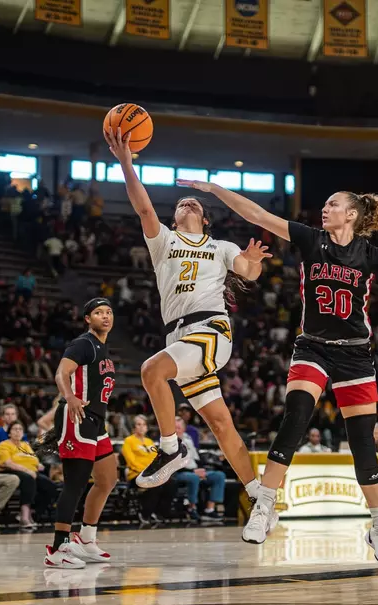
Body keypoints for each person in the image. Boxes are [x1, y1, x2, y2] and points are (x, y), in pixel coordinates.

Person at [174, 175, 378, 565]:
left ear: (351, 213)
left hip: (355, 355)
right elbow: (258, 213)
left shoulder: (369, 254)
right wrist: (214, 191)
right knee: (296, 416)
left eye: (332, 204)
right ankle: (264, 506)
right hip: (312, 346)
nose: (324, 209)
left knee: (363, 442)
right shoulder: (313, 239)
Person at [104, 128, 264, 512]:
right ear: (174, 220)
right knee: (221, 426)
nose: (188, 204)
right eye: (181, 204)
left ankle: (170, 448)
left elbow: (248, 271)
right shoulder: (164, 243)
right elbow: (144, 208)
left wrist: (254, 264)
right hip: (180, 339)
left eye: (194, 203)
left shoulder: (221, 246)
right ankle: (260, 494)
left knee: (150, 371)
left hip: (212, 329)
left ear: (206, 220)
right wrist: (127, 164)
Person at [43, 298, 119, 567]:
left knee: (108, 479)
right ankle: (57, 548)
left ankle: (86, 540)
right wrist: (70, 398)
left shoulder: (102, 347)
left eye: (109, 312)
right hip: (78, 415)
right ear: (88, 318)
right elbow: (61, 373)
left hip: (96, 421)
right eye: (99, 313)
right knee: (75, 484)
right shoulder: (83, 343)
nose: (105, 316)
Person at [0, 422, 57, 530]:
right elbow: (7, 463)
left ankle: (32, 512)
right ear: (9, 433)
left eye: (20, 429)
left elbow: (34, 459)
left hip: (30, 472)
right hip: (10, 471)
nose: (18, 431)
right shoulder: (4, 445)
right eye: (15, 429)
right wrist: (27, 470)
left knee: (50, 486)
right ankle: (24, 516)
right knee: (28, 479)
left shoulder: (25, 445)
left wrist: (38, 465)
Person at [121, 415, 179, 524]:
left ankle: (159, 513)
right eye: (139, 424)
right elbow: (131, 462)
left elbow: (155, 459)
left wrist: (158, 471)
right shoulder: (129, 441)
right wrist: (148, 472)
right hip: (137, 475)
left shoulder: (149, 442)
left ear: (147, 427)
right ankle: (145, 514)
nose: (142, 427)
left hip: (153, 474)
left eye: (144, 425)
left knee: (171, 483)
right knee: (155, 485)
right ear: (134, 427)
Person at [173, 415, 226, 521]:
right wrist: (193, 471)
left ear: (184, 428)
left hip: (194, 470)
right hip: (178, 473)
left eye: (178, 428)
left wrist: (202, 470)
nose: (177, 430)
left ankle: (209, 510)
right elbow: (172, 465)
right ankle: (192, 508)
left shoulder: (187, 439)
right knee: (194, 477)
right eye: (174, 428)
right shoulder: (169, 442)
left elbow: (196, 458)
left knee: (219, 476)